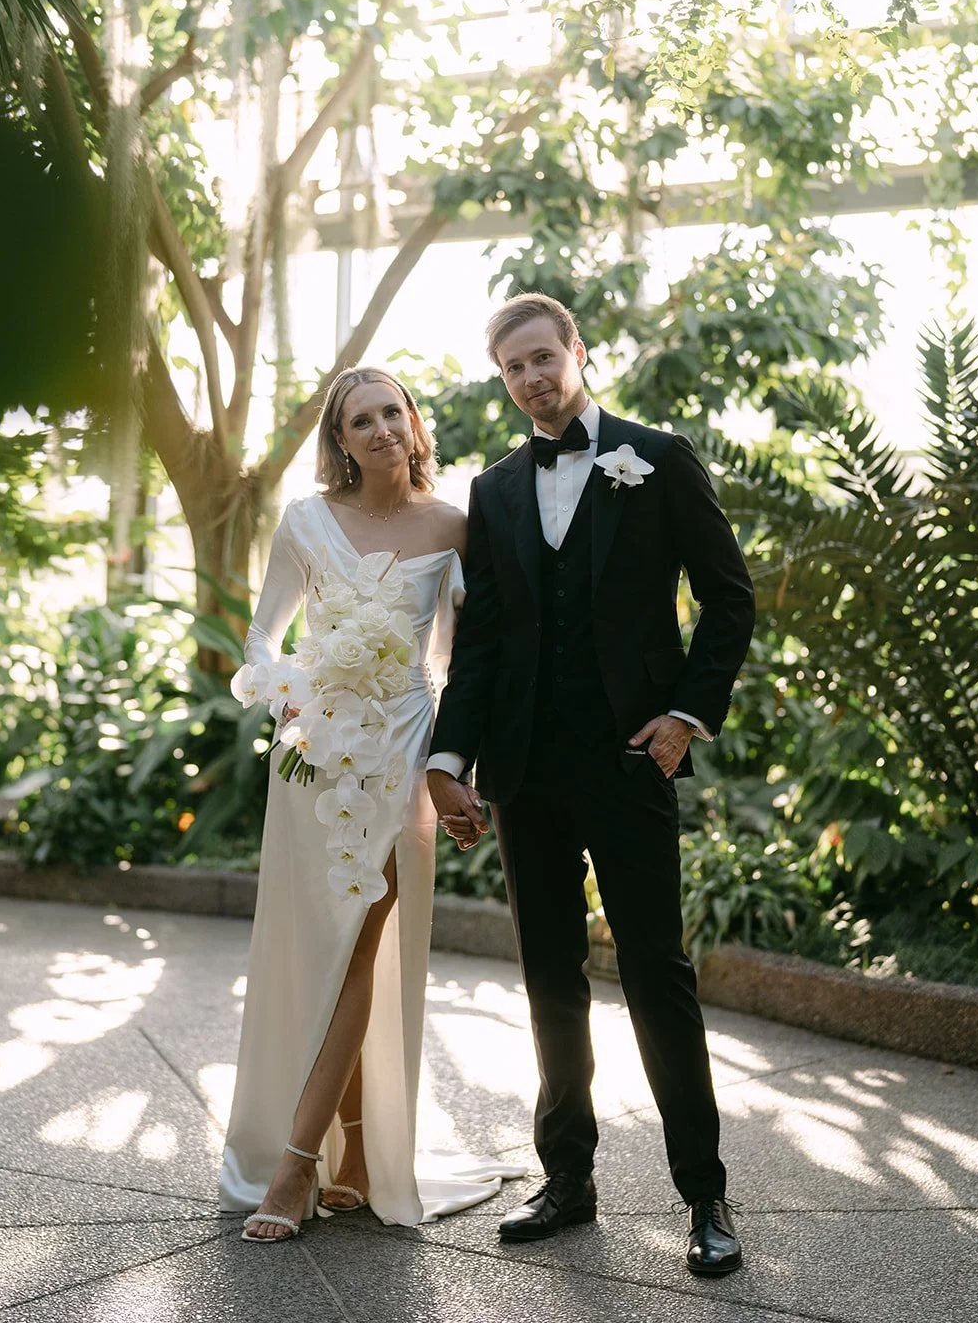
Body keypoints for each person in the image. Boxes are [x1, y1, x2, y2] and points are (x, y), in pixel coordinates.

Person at [426, 293, 756, 1276]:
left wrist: (685, 715)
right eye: (512, 368)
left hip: (626, 762)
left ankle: (704, 1193)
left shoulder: (656, 457)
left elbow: (726, 598)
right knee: (547, 980)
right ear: (503, 380)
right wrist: (450, 762)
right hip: (524, 771)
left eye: (542, 357)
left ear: (576, 351)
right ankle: (566, 1179)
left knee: (657, 975)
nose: (531, 377)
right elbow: (479, 643)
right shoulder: (490, 491)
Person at [220, 366, 519, 1240]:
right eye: (362, 419)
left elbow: (469, 665)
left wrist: (457, 771)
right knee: (318, 947)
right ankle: (347, 1158)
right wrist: (295, 701)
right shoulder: (306, 523)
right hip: (314, 761)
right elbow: (259, 640)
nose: (383, 427)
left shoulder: (458, 526)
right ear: (340, 441)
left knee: (360, 948)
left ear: (413, 423)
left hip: (403, 760)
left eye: (394, 411)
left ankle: (293, 1169)